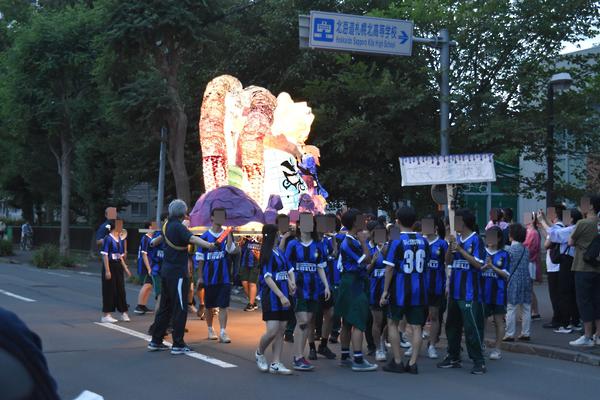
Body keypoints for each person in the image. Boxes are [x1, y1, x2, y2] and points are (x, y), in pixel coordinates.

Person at [147, 199, 215, 355]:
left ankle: (156, 340)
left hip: (166, 271)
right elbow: (192, 239)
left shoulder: (166, 225)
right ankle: (178, 343)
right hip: (178, 272)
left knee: (165, 307)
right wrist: (209, 245)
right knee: (180, 307)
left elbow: (158, 239)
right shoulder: (179, 227)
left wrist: (153, 242)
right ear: (183, 213)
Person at [438, 208, 487, 375]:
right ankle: (453, 356)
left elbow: (479, 264)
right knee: (451, 325)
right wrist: (449, 248)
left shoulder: (476, 240)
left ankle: (479, 361)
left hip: (470, 292)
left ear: (463, 222)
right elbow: (447, 262)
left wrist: (460, 250)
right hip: (455, 290)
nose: (453, 225)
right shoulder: (456, 239)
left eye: (456, 221)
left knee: (471, 327)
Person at [381, 206, 429, 374]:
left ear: (398, 221)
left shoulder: (396, 240)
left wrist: (385, 291)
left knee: (392, 322)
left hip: (400, 288)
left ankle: (397, 361)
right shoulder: (424, 241)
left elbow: (389, 268)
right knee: (417, 327)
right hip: (419, 288)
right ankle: (413, 363)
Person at [285, 213, 330, 371]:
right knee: (303, 321)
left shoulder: (318, 245)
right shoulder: (293, 244)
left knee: (307, 322)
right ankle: (297, 357)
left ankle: (300, 356)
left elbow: (320, 267)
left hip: (314, 289)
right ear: (299, 225)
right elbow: (286, 265)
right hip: (298, 288)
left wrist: (326, 286)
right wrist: (290, 281)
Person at [334, 209, 377, 372]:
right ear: (354, 222)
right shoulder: (350, 242)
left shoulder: (350, 240)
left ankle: (345, 356)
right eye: (361, 219)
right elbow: (367, 259)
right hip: (354, 283)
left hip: (350, 282)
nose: (364, 222)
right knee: (358, 321)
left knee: (347, 321)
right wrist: (364, 242)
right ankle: (358, 359)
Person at [255, 224, 295, 375]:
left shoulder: (279, 252)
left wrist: (291, 282)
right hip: (271, 296)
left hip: (284, 294)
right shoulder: (267, 254)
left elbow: (288, 270)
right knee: (272, 330)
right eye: (277, 234)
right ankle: (259, 352)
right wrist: (281, 296)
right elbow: (268, 278)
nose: (279, 236)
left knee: (281, 330)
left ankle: (276, 362)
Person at [539, 208, 583, 333]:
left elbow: (554, 234)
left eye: (567, 216)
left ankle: (565, 324)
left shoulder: (571, 229)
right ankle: (575, 321)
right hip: (572, 261)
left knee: (565, 293)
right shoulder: (574, 228)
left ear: (572, 218)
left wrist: (542, 221)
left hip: (567, 262)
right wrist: (544, 219)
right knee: (572, 293)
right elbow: (555, 230)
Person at [197, 208, 238, 343]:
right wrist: (200, 277)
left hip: (224, 277)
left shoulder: (227, 234)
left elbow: (231, 250)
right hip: (209, 277)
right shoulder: (204, 237)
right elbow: (200, 258)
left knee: (223, 305)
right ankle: (210, 329)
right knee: (209, 305)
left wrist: (229, 233)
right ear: (212, 218)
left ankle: (223, 332)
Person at [567, 195, 600, 347]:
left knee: (584, 301)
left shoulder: (583, 223)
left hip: (583, 266)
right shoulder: (598, 223)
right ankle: (598, 335)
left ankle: (587, 336)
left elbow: (570, 241)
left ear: (591, 206)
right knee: (597, 301)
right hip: (597, 267)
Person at [481, 226, 510, 360]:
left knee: (499, 321)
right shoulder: (482, 252)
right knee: (482, 321)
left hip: (499, 293)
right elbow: (476, 270)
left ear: (499, 239)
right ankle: (481, 344)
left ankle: (497, 349)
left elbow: (506, 274)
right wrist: (484, 267)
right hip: (483, 293)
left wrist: (492, 267)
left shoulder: (504, 254)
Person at [424, 216, 449, 360]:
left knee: (434, 316)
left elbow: (447, 264)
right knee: (418, 317)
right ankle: (415, 344)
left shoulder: (442, 244)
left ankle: (432, 345)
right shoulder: (420, 242)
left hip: (436, 286)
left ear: (435, 228)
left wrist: (447, 284)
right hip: (420, 286)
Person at [504, 223, 532, 342]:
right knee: (526, 307)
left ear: (511, 235)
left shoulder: (508, 250)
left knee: (511, 307)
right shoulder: (526, 250)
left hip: (513, 280)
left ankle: (509, 334)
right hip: (526, 279)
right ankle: (526, 332)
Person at [100, 220, 132, 323]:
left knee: (121, 290)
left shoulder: (120, 239)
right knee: (109, 290)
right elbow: (105, 255)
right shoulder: (108, 238)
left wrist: (125, 268)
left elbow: (120, 255)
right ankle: (106, 315)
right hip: (109, 265)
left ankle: (124, 313)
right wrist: (107, 270)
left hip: (118, 266)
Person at [540, 205, 565, 330]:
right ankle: (560, 318)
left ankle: (558, 319)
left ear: (555, 214)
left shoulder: (558, 227)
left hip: (555, 266)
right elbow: (548, 238)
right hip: (556, 265)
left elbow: (547, 244)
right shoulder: (559, 227)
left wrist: (542, 222)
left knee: (555, 295)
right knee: (557, 294)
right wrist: (542, 226)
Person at [366, 220, 388, 362]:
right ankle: (378, 347)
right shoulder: (368, 249)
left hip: (389, 290)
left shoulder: (390, 248)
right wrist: (373, 262)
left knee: (389, 322)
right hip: (374, 290)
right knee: (377, 321)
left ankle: (383, 340)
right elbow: (365, 271)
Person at [134, 222, 155, 315]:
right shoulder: (145, 238)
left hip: (150, 264)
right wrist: (149, 268)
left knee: (149, 285)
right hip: (145, 265)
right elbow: (144, 254)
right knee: (147, 284)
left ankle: (143, 305)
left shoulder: (152, 238)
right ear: (150, 227)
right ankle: (139, 306)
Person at [523, 217, 542, 320]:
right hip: (529, 262)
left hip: (529, 262)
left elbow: (531, 249)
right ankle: (535, 312)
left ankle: (530, 312)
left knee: (528, 289)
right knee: (529, 289)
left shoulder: (533, 233)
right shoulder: (530, 231)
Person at [240, 235, 262, 311]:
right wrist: (243, 239)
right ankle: (253, 302)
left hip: (256, 264)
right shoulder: (246, 237)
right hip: (245, 263)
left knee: (252, 283)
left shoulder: (261, 237)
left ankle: (251, 304)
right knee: (244, 283)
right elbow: (240, 244)